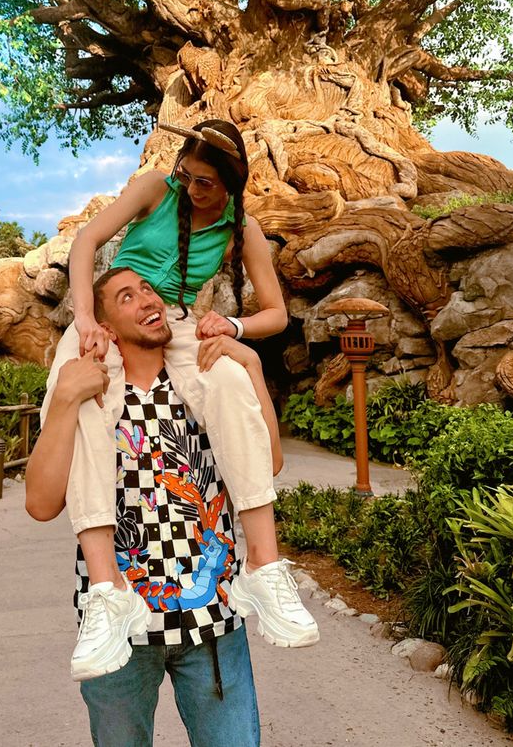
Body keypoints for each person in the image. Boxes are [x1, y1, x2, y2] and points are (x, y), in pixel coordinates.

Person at [40, 119, 319, 681]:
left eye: (205, 183)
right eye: (187, 177)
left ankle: (264, 568)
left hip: (177, 322)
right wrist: (87, 321)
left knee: (234, 383)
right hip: (109, 315)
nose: (191, 190)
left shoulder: (245, 230)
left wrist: (234, 329)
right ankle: (105, 594)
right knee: (87, 405)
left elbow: (277, 314)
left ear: (232, 184)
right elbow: (87, 243)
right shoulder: (152, 189)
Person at [26, 268, 319, 747]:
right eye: (126, 297)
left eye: (148, 290)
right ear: (103, 325)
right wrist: (63, 398)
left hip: (214, 618)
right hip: (121, 628)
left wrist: (253, 369)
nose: (146, 300)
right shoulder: (92, 399)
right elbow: (41, 504)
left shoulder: (202, 382)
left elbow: (270, 462)